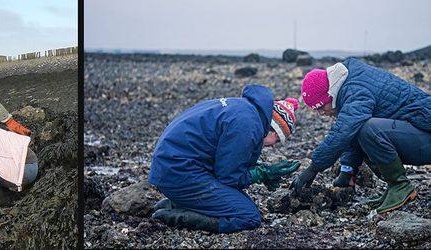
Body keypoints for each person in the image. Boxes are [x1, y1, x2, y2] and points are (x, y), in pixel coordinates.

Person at [148, 85, 301, 233]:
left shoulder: (244, 109)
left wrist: (262, 169)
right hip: (178, 172)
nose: (273, 146)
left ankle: (176, 203)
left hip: (169, 166)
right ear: (275, 132)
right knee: (248, 216)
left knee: (238, 203)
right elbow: (228, 178)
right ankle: (176, 216)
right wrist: (261, 173)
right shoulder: (248, 126)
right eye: (279, 140)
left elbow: (224, 155)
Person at [292, 58, 431, 214]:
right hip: (415, 133)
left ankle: (400, 185)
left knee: (368, 128)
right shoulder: (348, 82)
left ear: (329, 94)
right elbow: (351, 132)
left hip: (426, 135)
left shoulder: (354, 89)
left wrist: (313, 168)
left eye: (321, 107)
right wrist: (347, 171)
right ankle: (394, 187)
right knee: (360, 127)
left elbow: (343, 132)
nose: (321, 113)